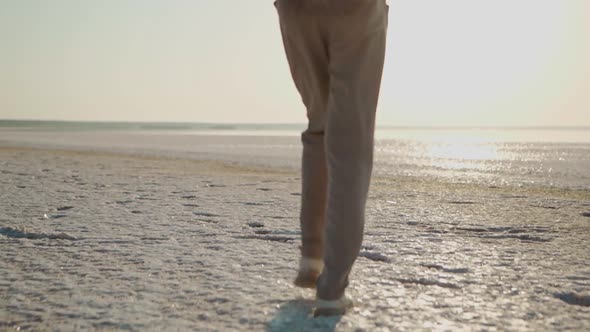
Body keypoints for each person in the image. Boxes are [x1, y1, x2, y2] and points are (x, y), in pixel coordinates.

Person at [274, 0, 389, 317]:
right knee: (350, 142)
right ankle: (332, 286)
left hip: (296, 9)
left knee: (320, 126)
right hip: (355, 8)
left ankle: (313, 257)